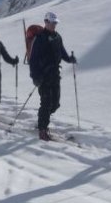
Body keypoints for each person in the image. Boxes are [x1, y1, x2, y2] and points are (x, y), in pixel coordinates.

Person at [28, 12, 76, 141]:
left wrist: (70, 59)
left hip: (55, 75)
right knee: (46, 103)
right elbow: (33, 59)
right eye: (52, 22)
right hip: (43, 77)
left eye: (55, 23)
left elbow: (62, 53)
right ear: (46, 22)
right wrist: (35, 77)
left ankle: (41, 122)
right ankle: (42, 129)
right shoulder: (40, 38)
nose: (54, 25)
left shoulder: (57, 37)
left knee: (55, 104)